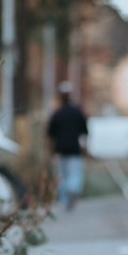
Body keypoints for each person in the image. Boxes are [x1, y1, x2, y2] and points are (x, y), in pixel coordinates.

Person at [46, 81, 88, 211]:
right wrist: (85, 148)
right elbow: (85, 133)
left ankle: (64, 201)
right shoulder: (77, 112)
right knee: (74, 174)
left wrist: (48, 152)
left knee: (61, 176)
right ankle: (72, 192)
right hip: (75, 150)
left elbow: (50, 135)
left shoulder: (56, 113)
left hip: (59, 151)